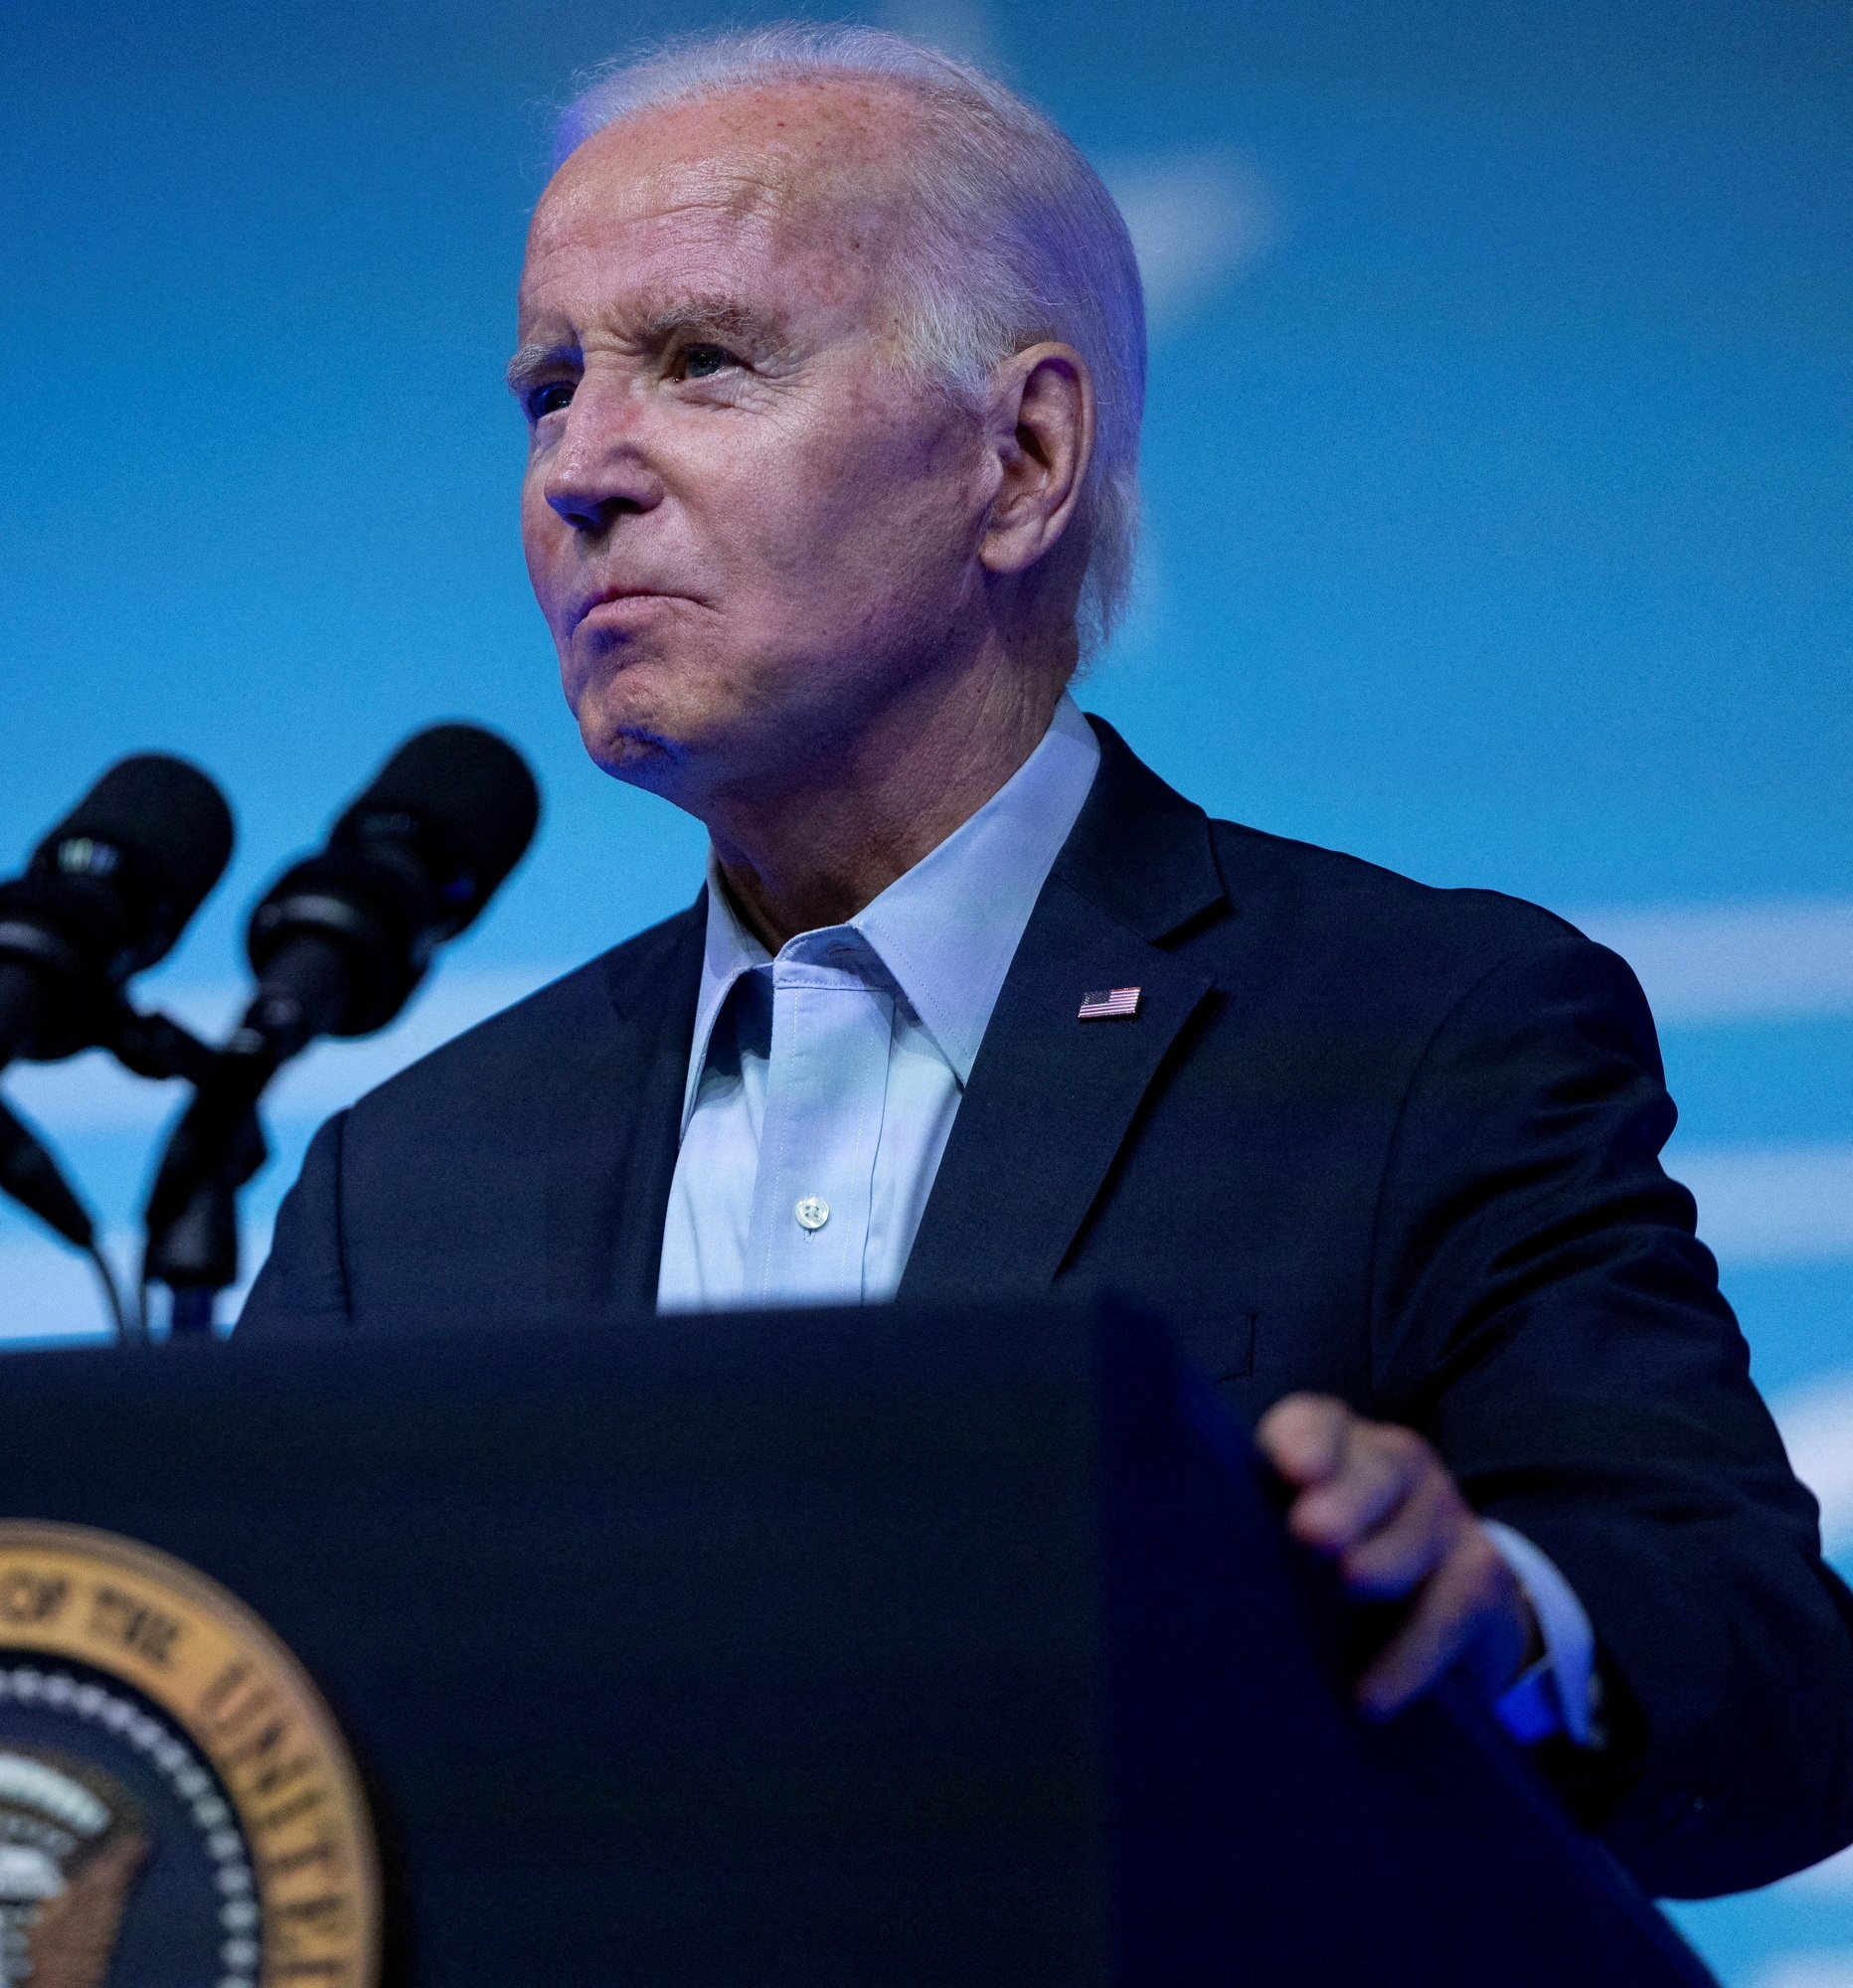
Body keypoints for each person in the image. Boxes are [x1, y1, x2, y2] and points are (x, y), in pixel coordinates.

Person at [234, 25, 1853, 1898]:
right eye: (546, 389)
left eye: (700, 364)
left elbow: (1776, 1680)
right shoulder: (406, 1181)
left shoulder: (1421, 1037)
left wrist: (1500, 1614)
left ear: (1022, 456)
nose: (583, 470)